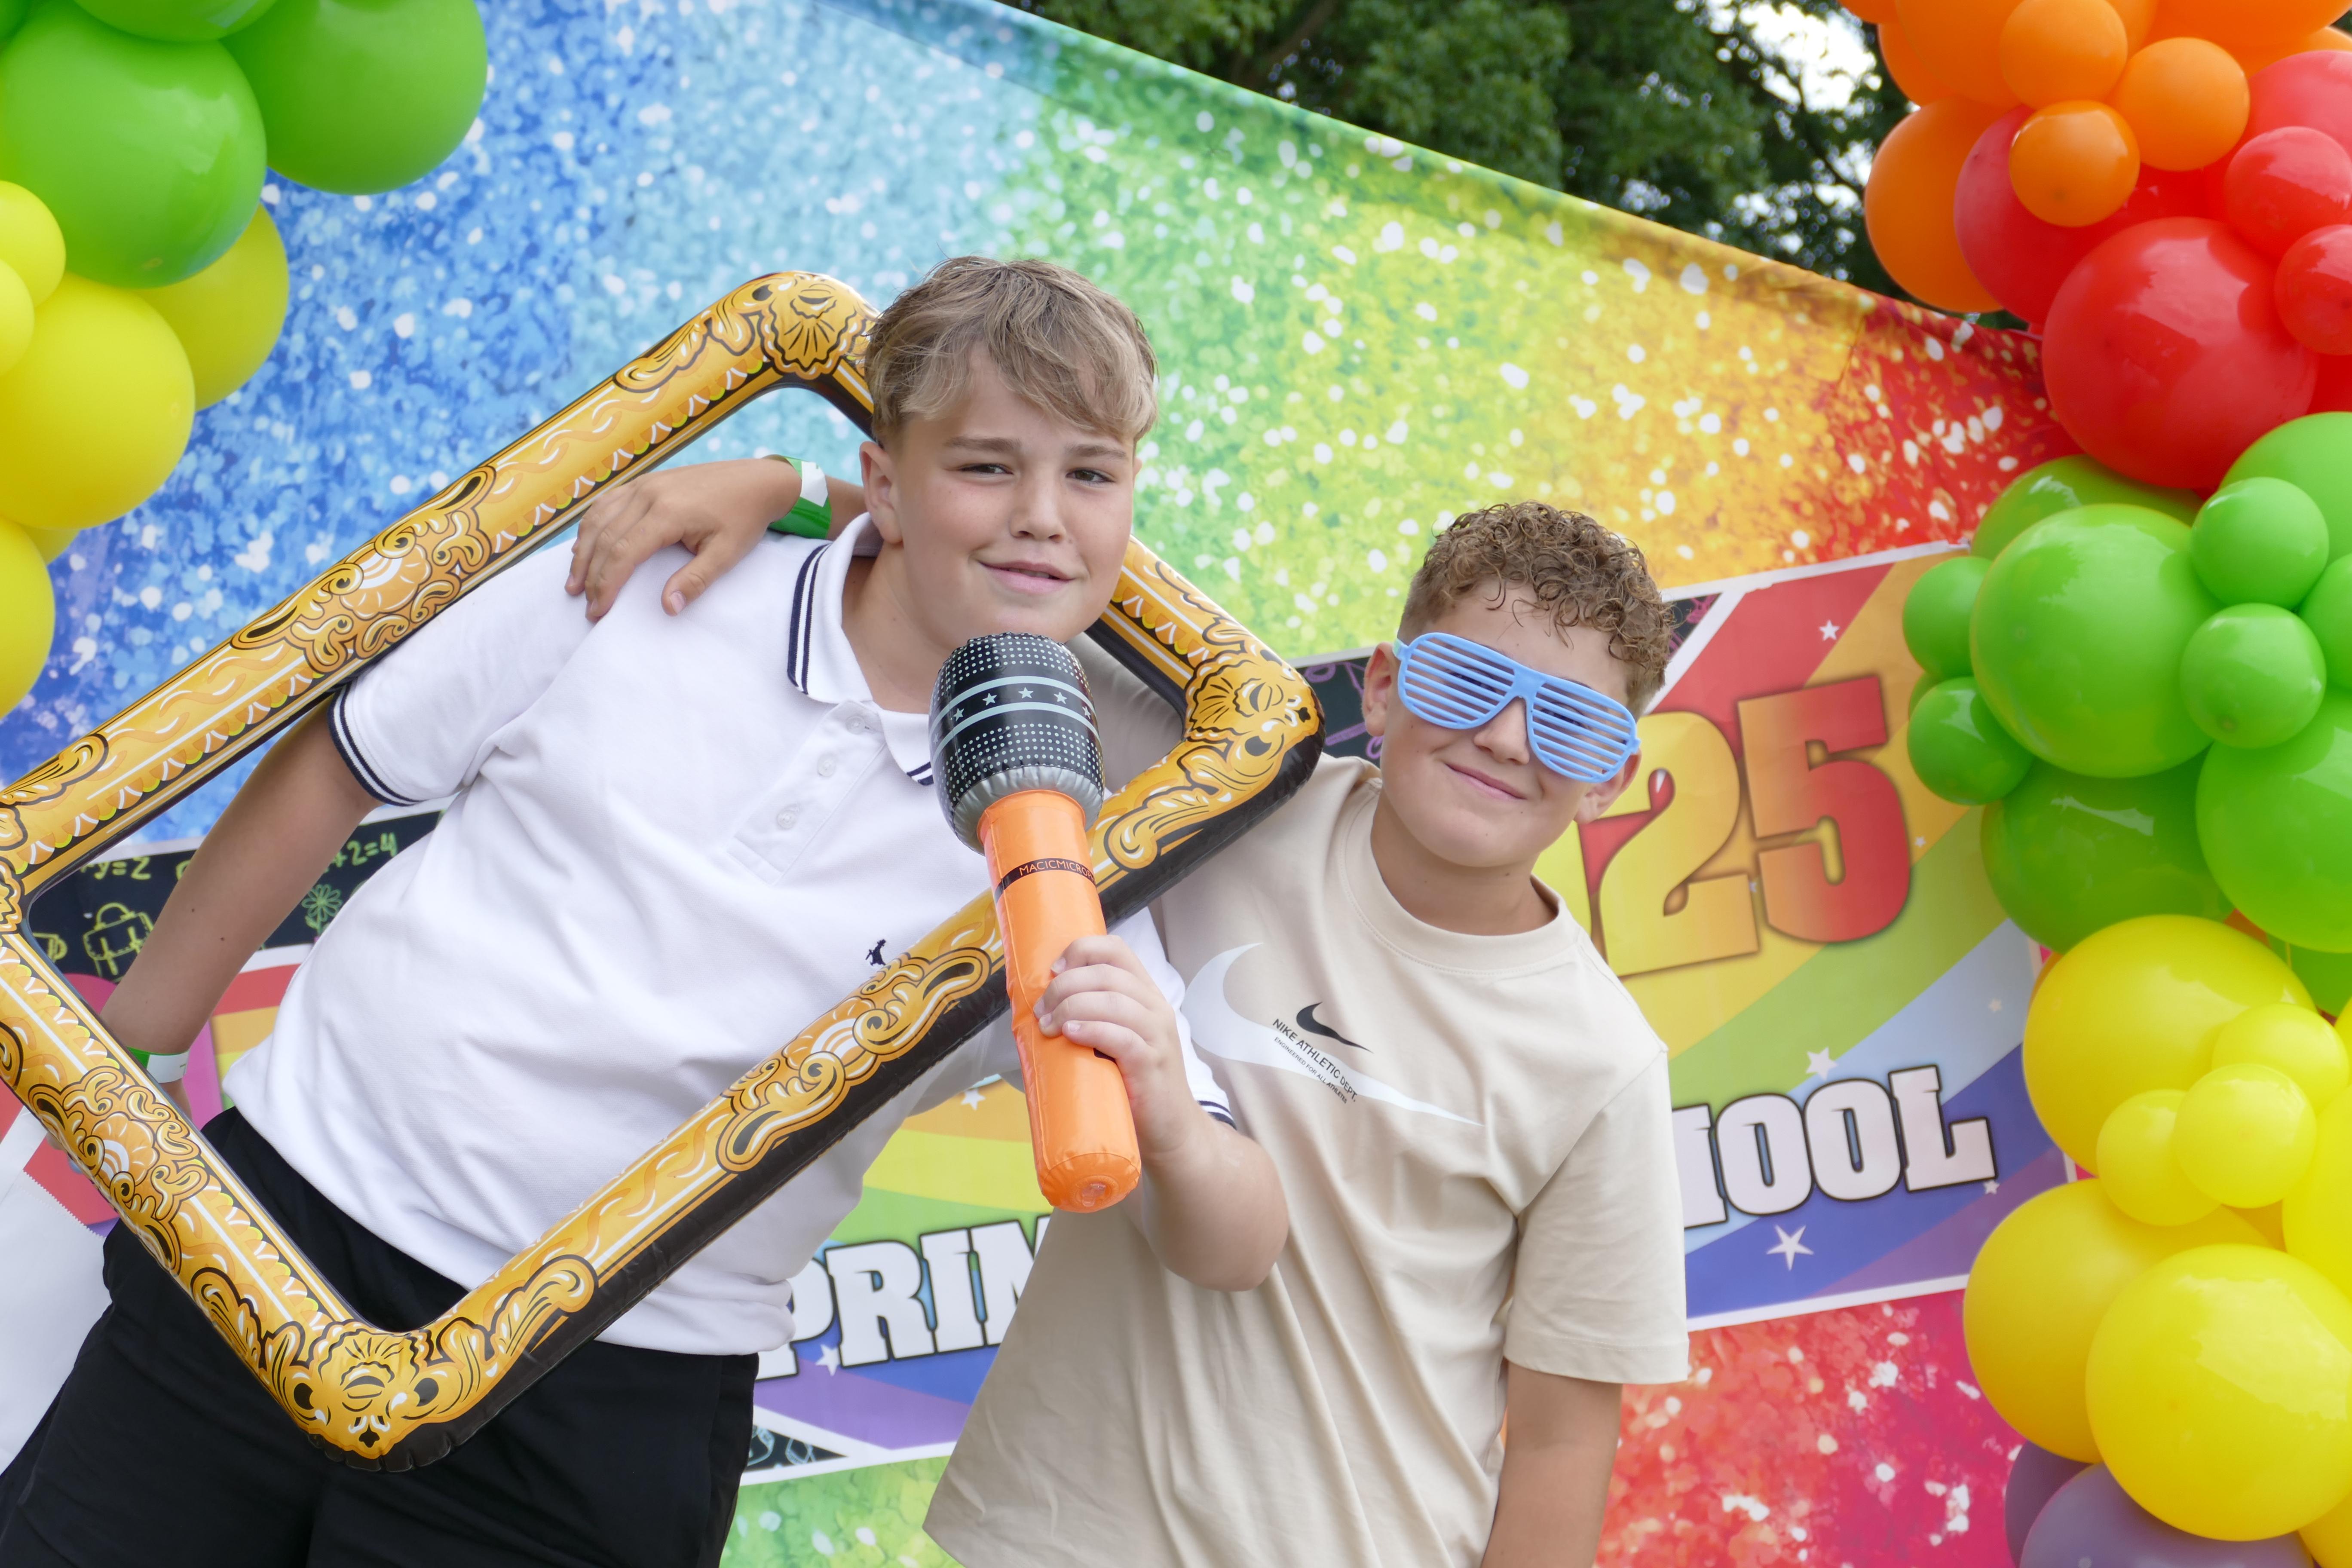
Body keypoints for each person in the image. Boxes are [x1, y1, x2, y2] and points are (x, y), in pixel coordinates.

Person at [0, 257, 1285, 1568]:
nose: (1043, 518)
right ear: (887, 482)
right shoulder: (648, 572)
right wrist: (130, 1065)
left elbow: (1238, 1241)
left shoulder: (1077, 844)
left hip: (612, 1393)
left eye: (1092, 475)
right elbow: (344, 760)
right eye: (986, 467)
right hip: (291, 1221)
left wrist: (1170, 1111)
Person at [575, 494, 1691, 1565]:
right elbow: (993, 573)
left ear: (1611, 779)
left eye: (1571, 722)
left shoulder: (1600, 1064)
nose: (1506, 737)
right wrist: (791, 490)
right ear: (1390, 686)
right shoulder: (1223, 792)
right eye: (1469, 679)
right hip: (1058, 1535)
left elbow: (1562, 1438)